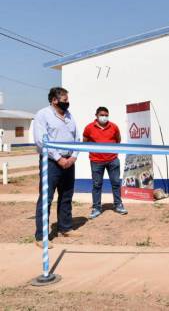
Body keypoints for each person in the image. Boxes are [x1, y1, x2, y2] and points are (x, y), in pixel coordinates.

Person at [33, 87, 81, 248]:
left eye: (67, 100)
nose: (67, 103)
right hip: (51, 162)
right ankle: (41, 236)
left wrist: (73, 156)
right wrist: (59, 158)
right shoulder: (43, 115)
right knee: (46, 198)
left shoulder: (69, 116)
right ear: (54, 100)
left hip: (69, 161)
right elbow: (41, 140)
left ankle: (65, 227)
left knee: (66, 195)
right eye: (64, 100)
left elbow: (77, 137)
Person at [82, 106, 127, 219]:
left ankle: (118, 205)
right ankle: (96, 207)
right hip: (96, 161)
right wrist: (95, 152)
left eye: (106, 115)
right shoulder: (89, 128)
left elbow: (118, 140)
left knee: (116, 183)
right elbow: (85, 141)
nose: (104, 117)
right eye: (102, 115)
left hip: (112, 160)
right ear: (96, 115)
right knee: (97, 185)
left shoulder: (114, 127)